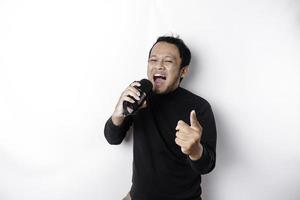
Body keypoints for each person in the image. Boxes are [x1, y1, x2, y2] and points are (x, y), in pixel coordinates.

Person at [104, 35, 217, 200]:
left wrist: (195, 150)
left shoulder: (199, 107)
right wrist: (118, 112)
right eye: (153, 60)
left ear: (183, 70)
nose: (158, 66)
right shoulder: (139, 97)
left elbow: (207, 165)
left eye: (168, 61)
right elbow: (113, 138)